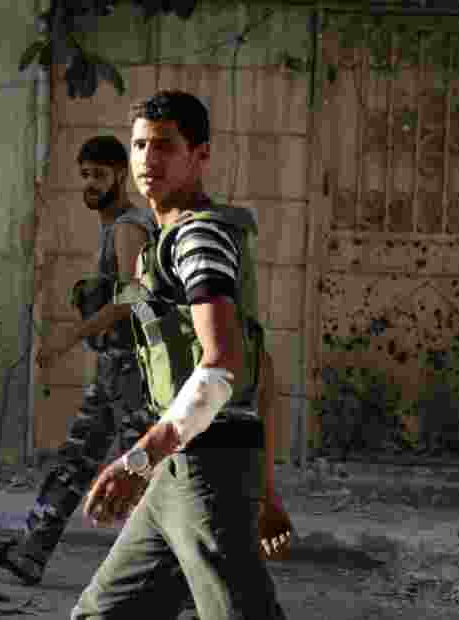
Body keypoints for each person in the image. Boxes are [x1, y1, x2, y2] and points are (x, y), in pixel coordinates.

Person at [70, 90, 289, 619]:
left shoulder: (200, 238)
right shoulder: (165, 240)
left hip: (206, 471)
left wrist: (139, 458)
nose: (148, 159)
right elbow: (266, 373)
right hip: (179, 470)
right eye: (140, 145)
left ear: (201, 156)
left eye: (166, 145)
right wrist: (267, 492)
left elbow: (223, 366)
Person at [0, 135, 158, 586]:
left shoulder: (129, 227)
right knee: (75, 461)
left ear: (120, 174)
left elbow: (135, 297)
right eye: (85, 175)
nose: (90, 184)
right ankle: (30, 552)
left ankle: (182, 576)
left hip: (135, 371)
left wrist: (68, 337)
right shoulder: (115, 226)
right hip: (116, 369)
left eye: (99, 174)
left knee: (145, 477)